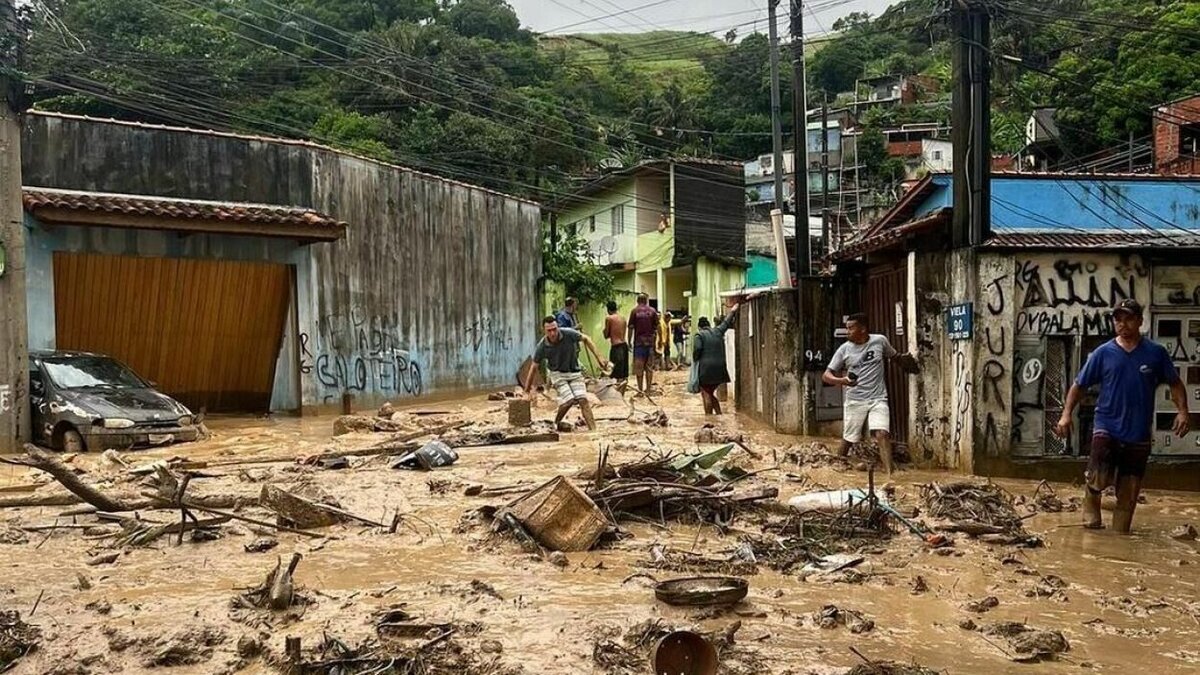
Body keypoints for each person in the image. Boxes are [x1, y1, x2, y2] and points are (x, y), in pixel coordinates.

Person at [1054, 299, 1188, 534]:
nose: (1122, 324)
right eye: (1117, 319)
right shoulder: (1102, 353)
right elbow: (1078, 386)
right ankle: (1091, 511)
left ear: (1139, 321)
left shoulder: (1155, 353)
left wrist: (1183, 412)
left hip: (1138, 432)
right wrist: (1066, 415)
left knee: (1128, 494)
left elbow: (1175, 384)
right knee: (1098, 476)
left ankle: (1119, 540)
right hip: (1106, 425)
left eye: (1127, 318)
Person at [822, 313, 901, 475]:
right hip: (855, 400)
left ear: (863, 329)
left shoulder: (880, 341)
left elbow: (894, 356)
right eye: (847, 328)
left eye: (851, 328)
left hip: (878, 398)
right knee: (849, 438)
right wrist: (843, 381)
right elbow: (826, 375)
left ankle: (890, 474)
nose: (847, 332)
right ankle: (837, 467)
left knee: (882, 433)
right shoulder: (844, 349)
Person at [525, 316, 608, 431]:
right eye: (549, 330)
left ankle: (593, 431)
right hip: (557, 374)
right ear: (544, 330)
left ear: (558, 327)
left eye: (554, 329)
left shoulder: (568, 333)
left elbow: (586, 339)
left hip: (574, 372)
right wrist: (526, 391)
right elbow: (533, 368)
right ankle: (556, 422)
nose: (553, 333)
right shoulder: (542, 346)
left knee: (583, 400)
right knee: (569, 400)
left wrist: (599, 357)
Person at [693, 304, 739, 414]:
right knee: (710, 392)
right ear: (709, 325)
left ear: (699, 327)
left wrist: (696, 359)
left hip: (706, 370)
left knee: (706, 393)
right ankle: (719, 415)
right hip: (720, 369)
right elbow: (726, 323)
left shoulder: (699, 335)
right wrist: (732, 311)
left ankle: (708, 417)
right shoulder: (718, 331)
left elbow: (698, 349)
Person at [627, 293, 659, 393]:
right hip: (650, 343)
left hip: (639, 343)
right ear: (646, 301)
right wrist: (659, 341)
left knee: (639, 367)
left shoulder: (634, 311)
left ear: (637, 301)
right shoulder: (653, 311)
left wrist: (629, 341)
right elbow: (657, 328)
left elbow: (631, 328)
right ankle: (648, 389)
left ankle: (640, 390)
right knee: (649, 367)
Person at [603, 300, 629, 385]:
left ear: (608, 309)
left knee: (615, 373)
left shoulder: (609, 318)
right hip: (624, 345)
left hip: (616, 347)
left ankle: (616, 393)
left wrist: (604, 331)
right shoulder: (623, 318)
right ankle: (622, 392)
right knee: (623, 373)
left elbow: (606, 335)